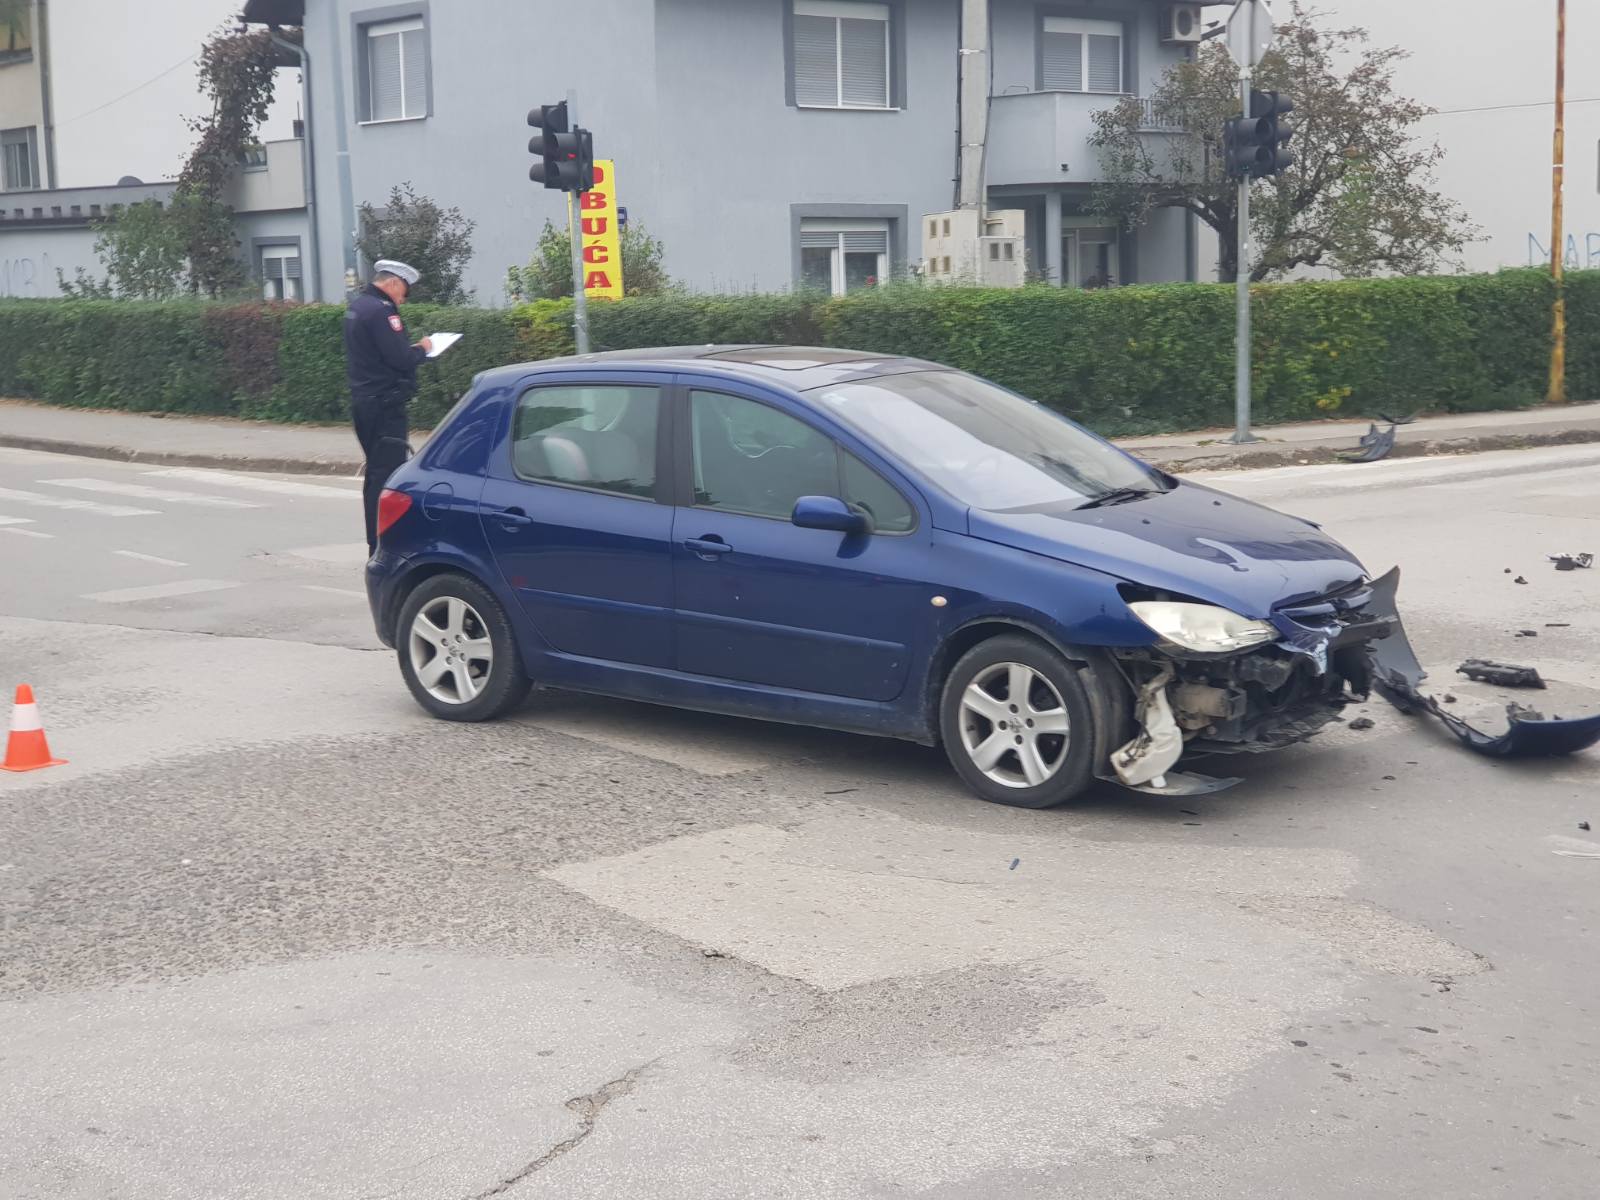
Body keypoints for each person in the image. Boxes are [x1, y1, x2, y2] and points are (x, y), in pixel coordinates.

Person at [344, 259, 432, 553]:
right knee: (387, 476)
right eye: (403, 292)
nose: (402, 299)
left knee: (375, 474)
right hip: (385, 407)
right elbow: (400, 359)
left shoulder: (358, 307)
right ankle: (382, 545)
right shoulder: (382, 312)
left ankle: (375, 540)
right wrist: (424, 348)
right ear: (393, 282)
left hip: (365, 403)